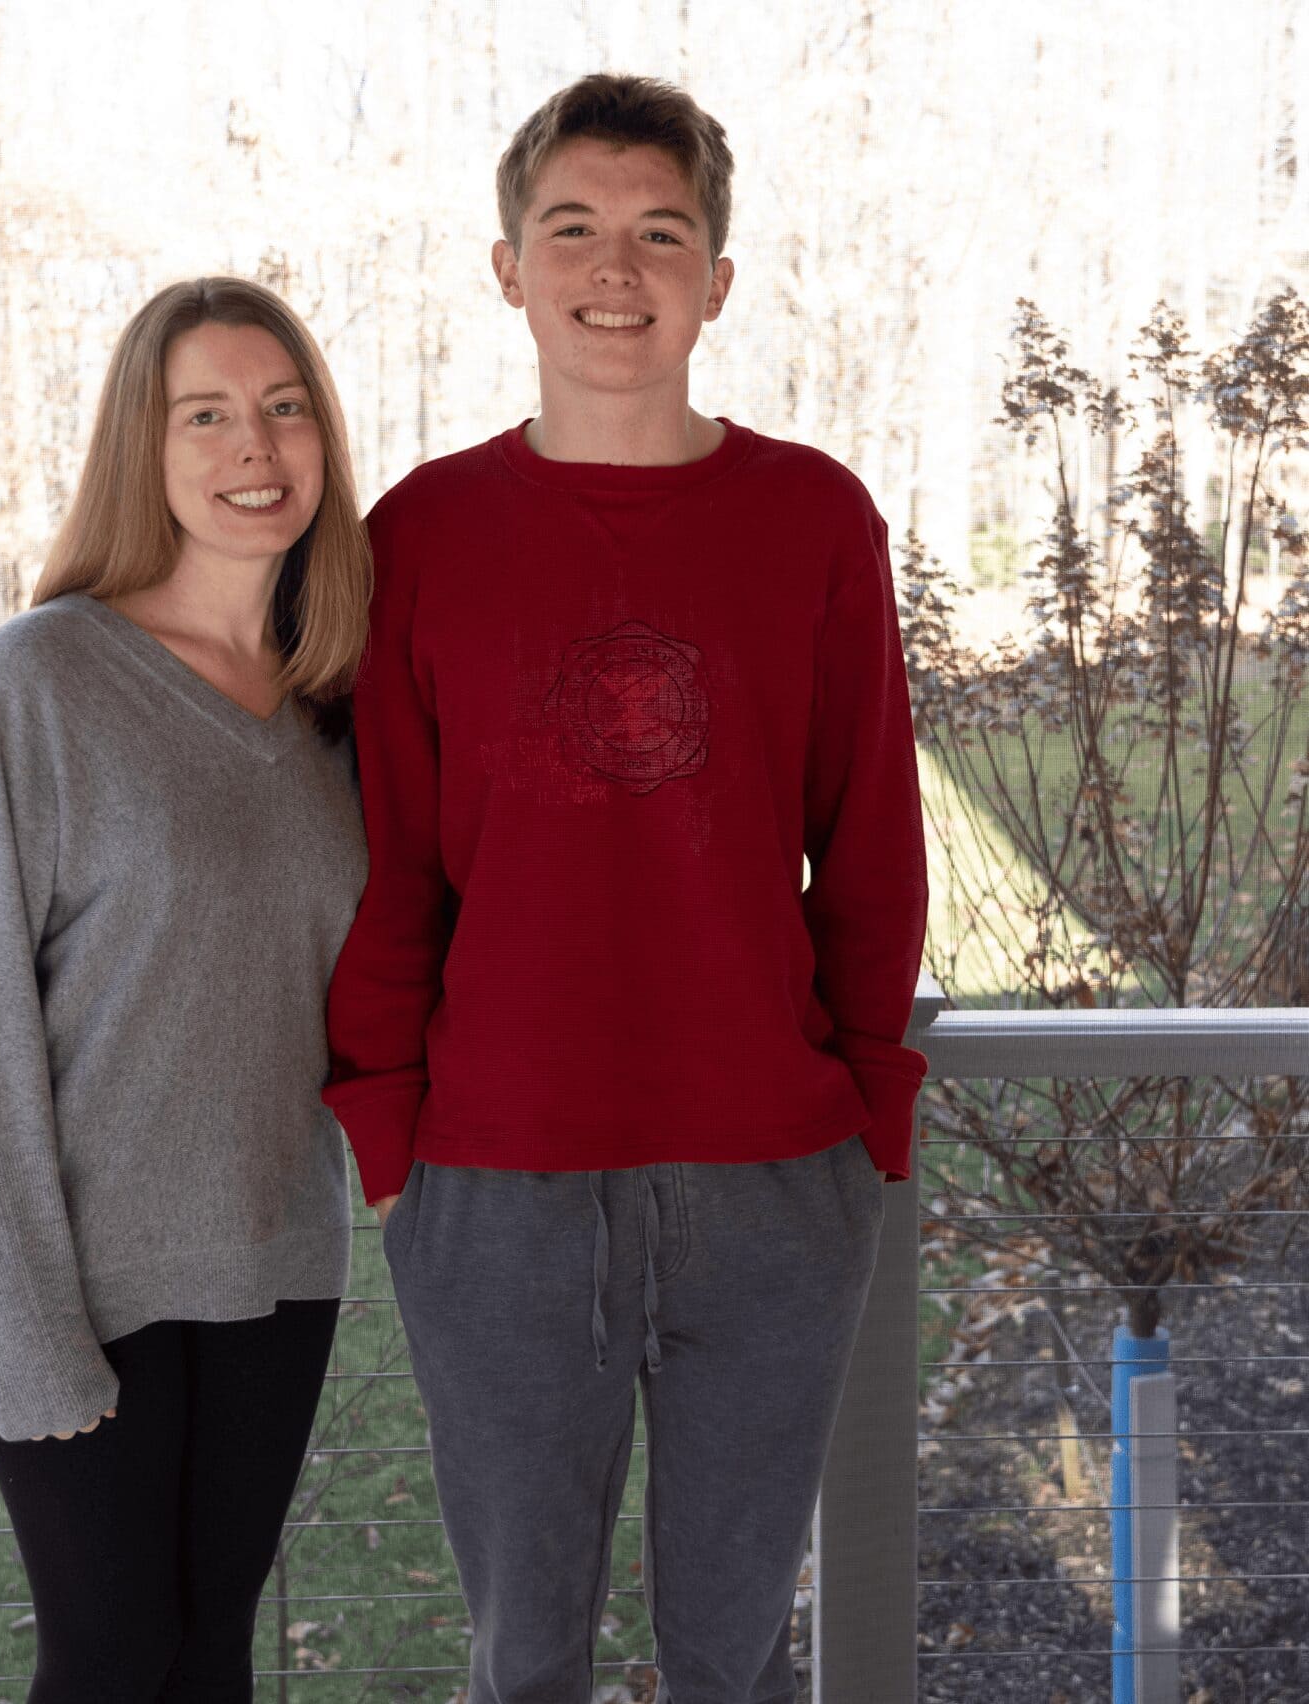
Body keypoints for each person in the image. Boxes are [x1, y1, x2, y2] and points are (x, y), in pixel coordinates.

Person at [324, 73, 929, 1704]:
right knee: (526, 1657)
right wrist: (392, 1137)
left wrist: (867, 1116)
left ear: (716, 280)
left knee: (731, 1658)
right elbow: (384, 864)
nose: (616, 265)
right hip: (495, 1189)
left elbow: (871, 846)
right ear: (507, 267)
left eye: (661, 231)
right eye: (572, 227)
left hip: (776, 1180)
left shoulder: (814, 520)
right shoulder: (423, 536)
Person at [0, 276, 372, 1703]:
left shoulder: (329, 704)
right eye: (210, 415)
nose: (257, 449)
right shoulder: (44, 679)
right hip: (80, 1287)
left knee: (209, 1659)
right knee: (113, 1663)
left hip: (274, 1270)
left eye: (286, 410)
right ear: (145, 447)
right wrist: (35, 1332)